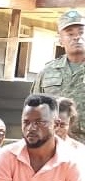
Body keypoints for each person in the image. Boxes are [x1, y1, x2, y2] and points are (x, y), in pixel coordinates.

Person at [31, 10, 85, 141]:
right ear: (60, 39)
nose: (76, 37)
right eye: (70, 34)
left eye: (81, 32)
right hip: (53, 144)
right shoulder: (46, 72)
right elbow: (33, 110)